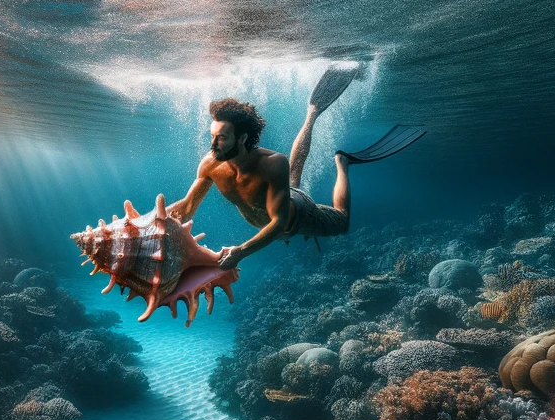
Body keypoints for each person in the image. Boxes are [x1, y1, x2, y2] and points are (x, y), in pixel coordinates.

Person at [166, 67, 425, 270]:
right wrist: (155, 219)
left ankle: (342, 162)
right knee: (293, 177)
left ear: (243, 139)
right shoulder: (210, 163)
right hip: (277, 204)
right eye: (212, 136)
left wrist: (241, 252)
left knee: (341, 220)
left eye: (221, 138)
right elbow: (187, 207)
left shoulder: (271, 163)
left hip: (298, 217)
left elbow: (278, 224)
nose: (212, 145)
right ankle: (312, 112)